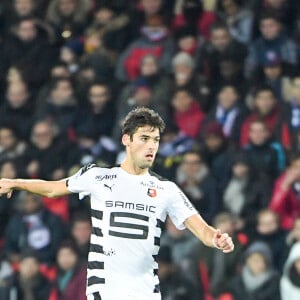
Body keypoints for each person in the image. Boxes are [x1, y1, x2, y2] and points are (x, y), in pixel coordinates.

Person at [0, 107, 234, 300]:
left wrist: (216, 238)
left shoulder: (166, 189)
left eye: (156, 140)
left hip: (146, 289)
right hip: (105, 286)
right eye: (144, 138)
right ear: (127, 140)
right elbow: (53, 188)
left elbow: (202, 230)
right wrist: (15, 182)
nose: (152, 146)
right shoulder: (98, 176)